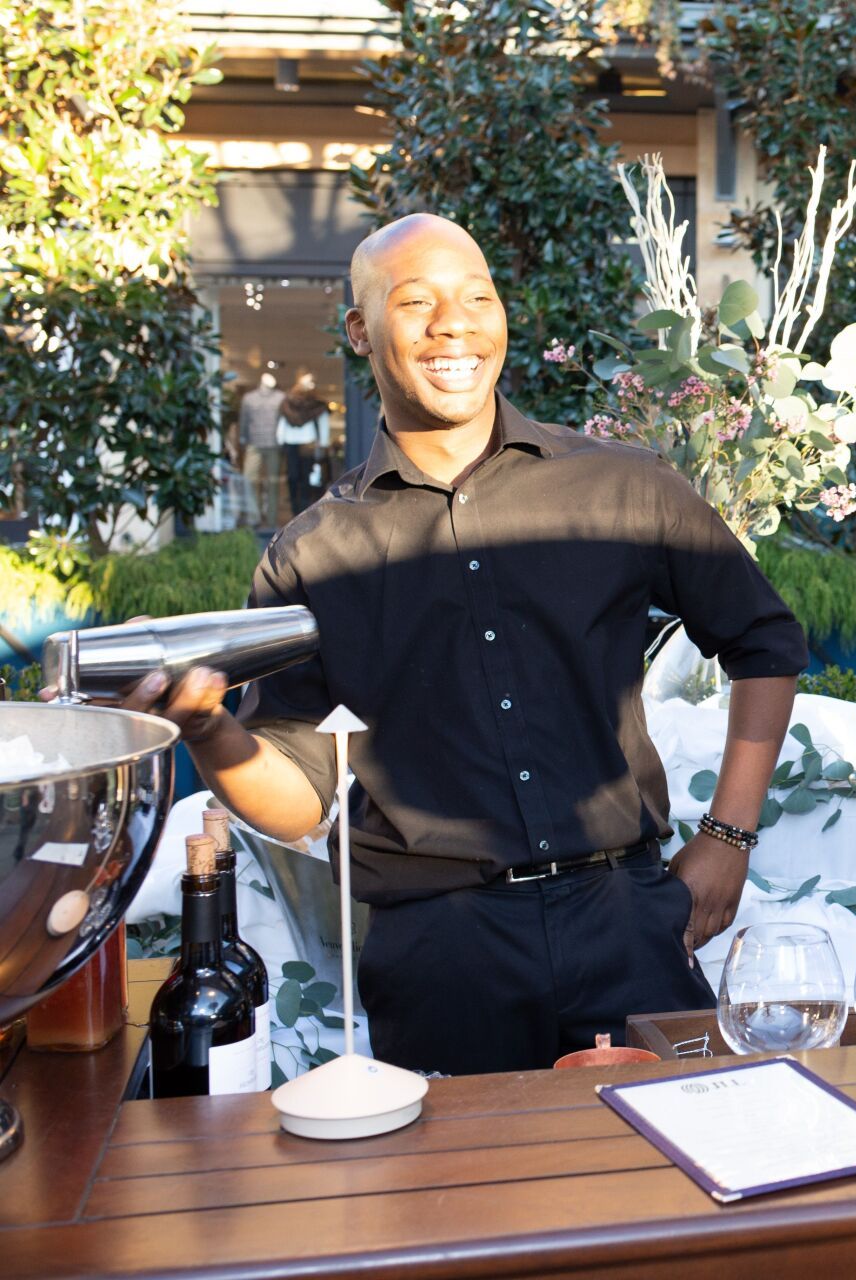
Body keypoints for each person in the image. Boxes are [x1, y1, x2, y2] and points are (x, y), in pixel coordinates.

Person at [113, 214, 805, 1074]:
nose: (454, 323)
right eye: (416, 301)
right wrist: (210, 731)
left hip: (627, 918)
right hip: (441, 953)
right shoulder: (311, 554)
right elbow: (300, 800)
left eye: (477, 296)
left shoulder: (623, 486)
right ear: (360, 330)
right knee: (457, 1207)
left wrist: (729, 836)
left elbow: (765, 640)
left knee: (672, 1186)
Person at [276, 372, 329, 517]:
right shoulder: (291, 403)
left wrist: (323, 442)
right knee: (297, 478)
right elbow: (283, 423)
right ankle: (299, 509)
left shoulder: (312, 404)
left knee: (301, 477)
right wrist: (323, 442)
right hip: (300, 442)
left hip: (303, 443)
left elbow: (282, 424)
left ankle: (301, 509)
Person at [237, 373, 284, 527]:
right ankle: (254, 517)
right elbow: (243, 420)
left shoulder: (281, 397)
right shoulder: (248, 398)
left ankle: (271, 520)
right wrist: (242, 438)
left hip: (274, 444)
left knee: (273, 483)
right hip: (253, 444)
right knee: (249, 479)